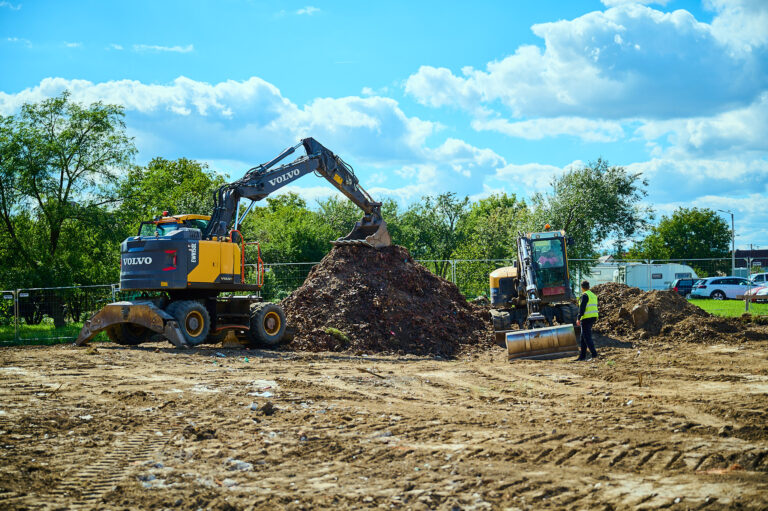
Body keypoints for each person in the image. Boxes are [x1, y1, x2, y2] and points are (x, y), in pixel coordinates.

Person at [575, 280, 599, 361]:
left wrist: (578, 318)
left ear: (582, 288)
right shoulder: (593, 295)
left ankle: (594, 355)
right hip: (593, 317)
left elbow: (582, 308)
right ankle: (582, 356)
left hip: (586, 318)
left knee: (587, 337)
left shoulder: (585, 295)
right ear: (589, 287)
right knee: (583, 337)